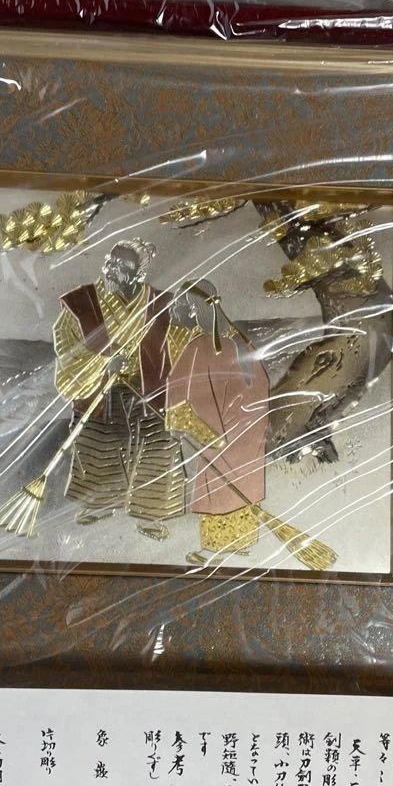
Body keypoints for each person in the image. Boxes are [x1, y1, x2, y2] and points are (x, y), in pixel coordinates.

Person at [51, 239, 186, 523]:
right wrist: (100, 363)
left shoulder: (160, 304)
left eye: (122, 265)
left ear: (139, 273)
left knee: (158, 443)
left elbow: (177, 345)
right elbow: (66, 345)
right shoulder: (82, 303)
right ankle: (99, 505)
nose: (111, 269)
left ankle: (152, 514)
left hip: (147, 387)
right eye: (109, 262)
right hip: (100, 388)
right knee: (99, 444)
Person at [164, 280, 270, 560]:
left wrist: (182, 418)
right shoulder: (240, 339)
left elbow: (182, 387)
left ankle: (215, 550)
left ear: (200, 308)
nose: (188, 315)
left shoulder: (202, 346)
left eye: (189, 308)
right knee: (241, 479)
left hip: (221, 428)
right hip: (245, 427)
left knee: (218, 483)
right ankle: (241, 542)